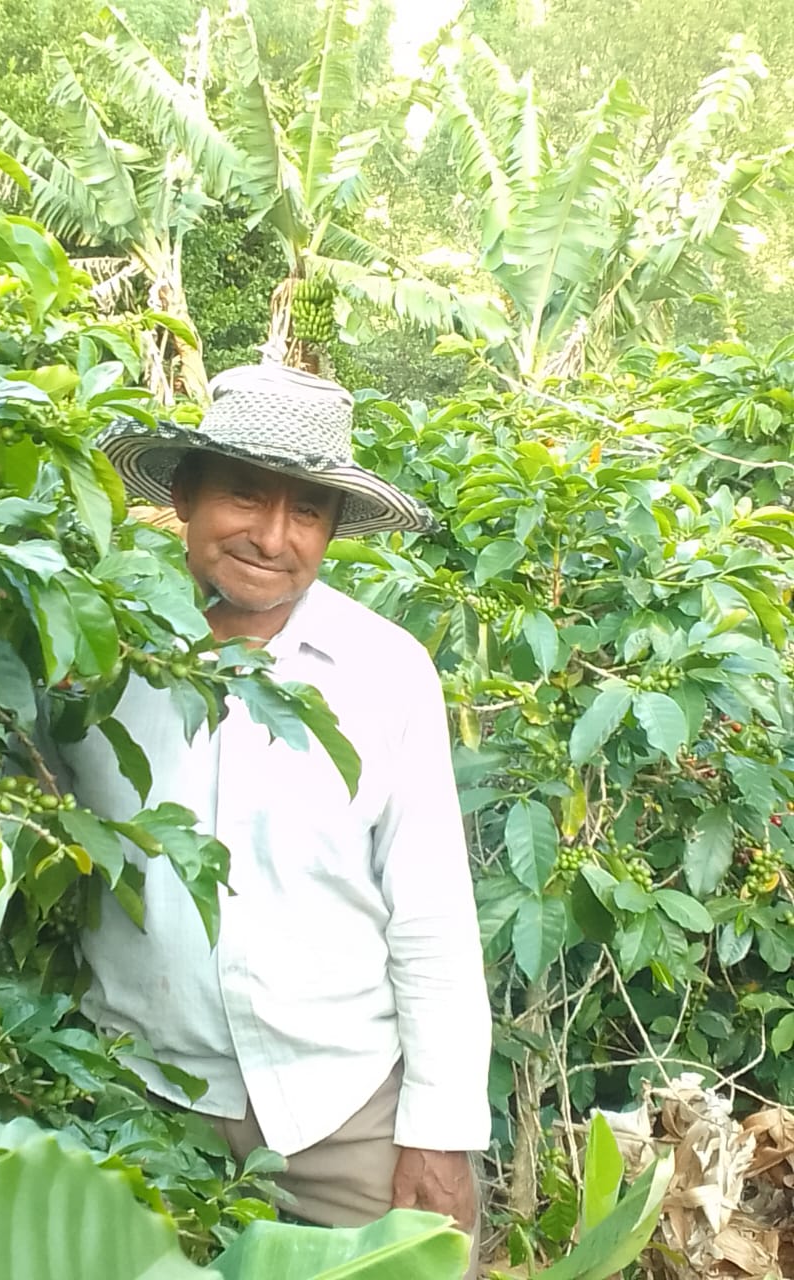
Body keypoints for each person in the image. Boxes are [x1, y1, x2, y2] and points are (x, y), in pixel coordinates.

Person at [62, 364, 493, 1267]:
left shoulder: (384, 672)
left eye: (306, 512)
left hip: (341, 1100)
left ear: (333, 530)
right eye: (244, 496)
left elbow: (431, 918)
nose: (271, 536)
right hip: (142, 1088)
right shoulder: (92, 647)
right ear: (184, 494)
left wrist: (439, 1132)